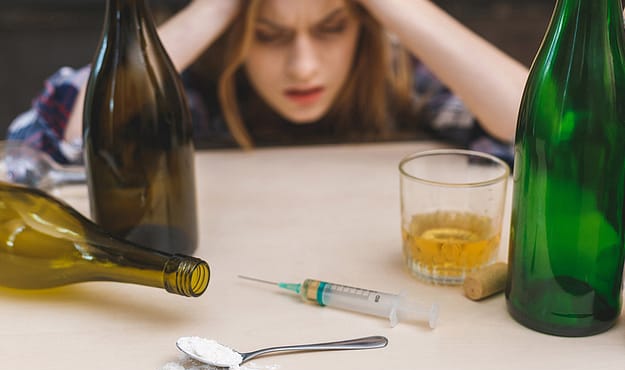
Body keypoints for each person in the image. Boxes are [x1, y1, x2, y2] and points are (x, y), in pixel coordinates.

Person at [6, 0, 528, 166]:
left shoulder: (397, 74)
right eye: (269, 35)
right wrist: (213, 9)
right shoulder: (194, 90)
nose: (303, 67)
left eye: (331, 28)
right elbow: (51, 146)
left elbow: (542, 125)